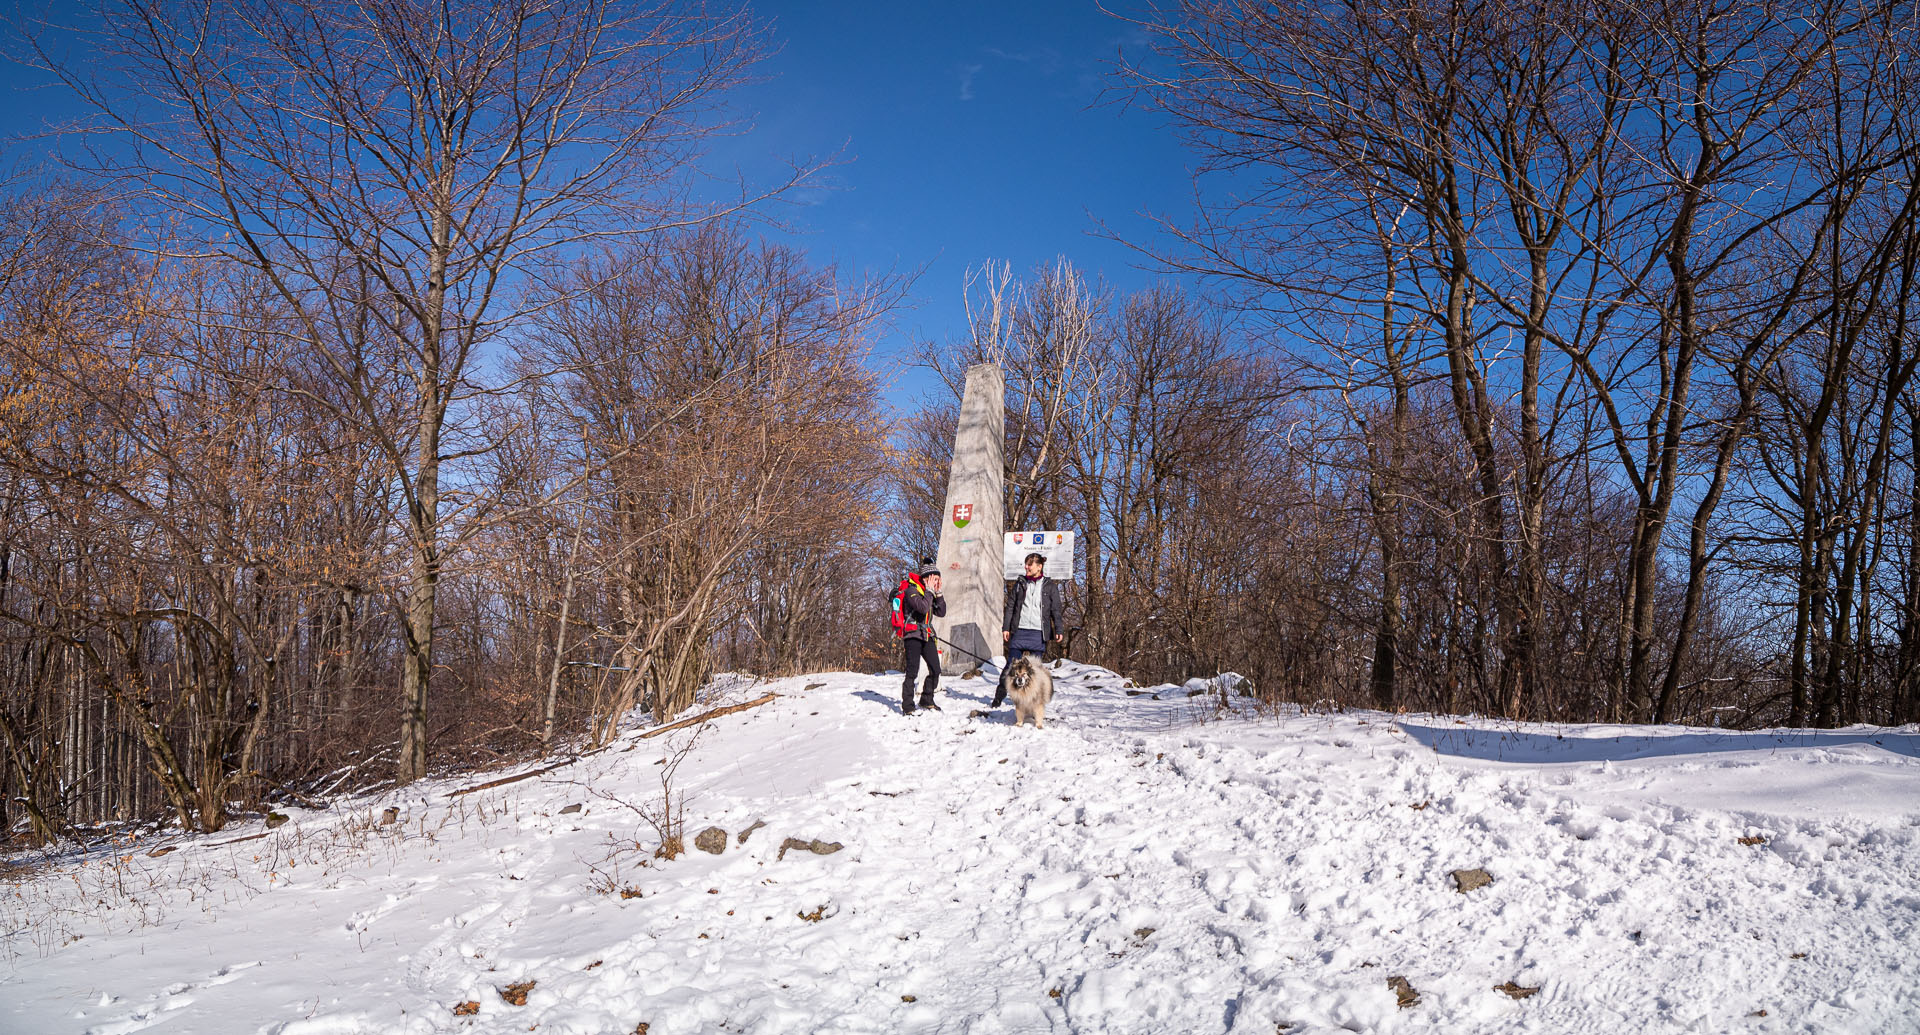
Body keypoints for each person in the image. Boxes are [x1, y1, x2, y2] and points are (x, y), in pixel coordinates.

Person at [995, 551, 1064, 707]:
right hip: (1019, 631)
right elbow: (1011, 606)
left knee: (1035, 670)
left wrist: (1059, 629)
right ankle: (998, 697)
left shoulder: (1050, 586)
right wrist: (1006, 627)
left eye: (1029, 564)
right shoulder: (1020, 584)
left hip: (1038, 633)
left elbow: (1056, 610)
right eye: (1025, 564)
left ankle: (1033, 700)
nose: (1026, 567)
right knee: (1010, 666)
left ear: (1039, 567)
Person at [897, 559, 947, 715]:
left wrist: (938, 593)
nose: (937, 582)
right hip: (912, 635)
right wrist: (930, 591)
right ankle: (908, 706)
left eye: (938, 579)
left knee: (935, 669)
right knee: (912, 671)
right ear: (926, 578)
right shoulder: (911, 591)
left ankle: (926, 699)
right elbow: (923, 608)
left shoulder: (929, 592)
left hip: (926, 635)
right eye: (934, 579)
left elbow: (941, 612)